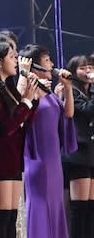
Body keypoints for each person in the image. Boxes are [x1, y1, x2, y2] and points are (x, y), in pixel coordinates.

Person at [19, 44, 77, 238]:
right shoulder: (29, 90)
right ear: (36, 67)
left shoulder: (50, 92)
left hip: (54, 160)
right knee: (41, 205)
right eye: (47, 61)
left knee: (56, 204)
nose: (52, 65)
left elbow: (68, 113)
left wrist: (68, 88)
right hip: (37, 159)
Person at [0, 36, 38, 238]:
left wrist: (32, 100)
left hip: (14, 157)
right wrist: (26, 103)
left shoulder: (10, 86)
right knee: (2, 218)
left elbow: (23, 123)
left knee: (11, 219)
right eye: (12, 56)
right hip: (1, 158)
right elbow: (5, 127)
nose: (16, 60)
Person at [63, 55, 94, 238]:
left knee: (91, 207)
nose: (88, 70)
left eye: (91, 66)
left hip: (91, 153)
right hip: (78, 154)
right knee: (79, 208)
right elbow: (86, 111)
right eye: (83, 67)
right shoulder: (72, 92)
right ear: (74, 71)